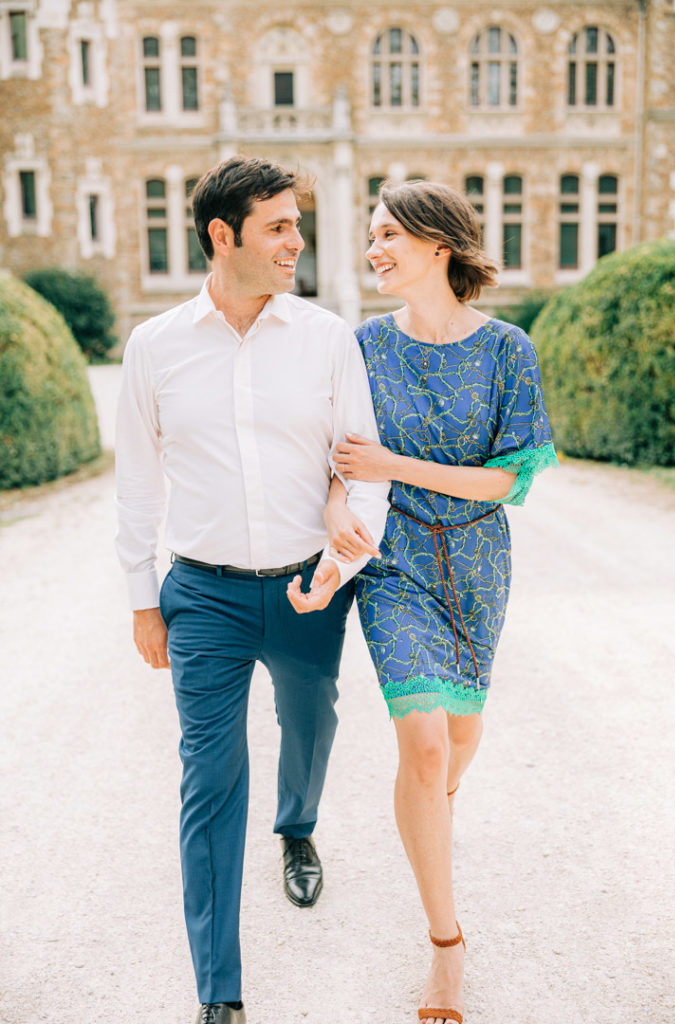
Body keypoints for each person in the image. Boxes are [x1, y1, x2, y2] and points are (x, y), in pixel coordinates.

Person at [114, 155, 388, 1024]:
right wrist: (141, 598)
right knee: (209, 779)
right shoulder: (153, 347)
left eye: (296, 226)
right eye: (277, 227)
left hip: (313, 582)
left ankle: (297, 825)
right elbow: (135, 486)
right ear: (220, 236)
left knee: (312, 720)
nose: (294, 242)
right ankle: (218, 995)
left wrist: (340, 565)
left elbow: (364, 468)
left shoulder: (326, 337)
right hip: (204, 595)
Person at [325, 180, 558, 1024]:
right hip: (392, 565)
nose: (374, 248)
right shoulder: (359, 347)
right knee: (422, 747)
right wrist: (335, 517)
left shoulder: (507, 350)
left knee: (460, 735)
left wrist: (396, 466)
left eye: (388, 234)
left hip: (479, 564)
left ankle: (433, 805)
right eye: (372, 235)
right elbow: (336, 463)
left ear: (439, 245)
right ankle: (445, 949)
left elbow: (506, 479)